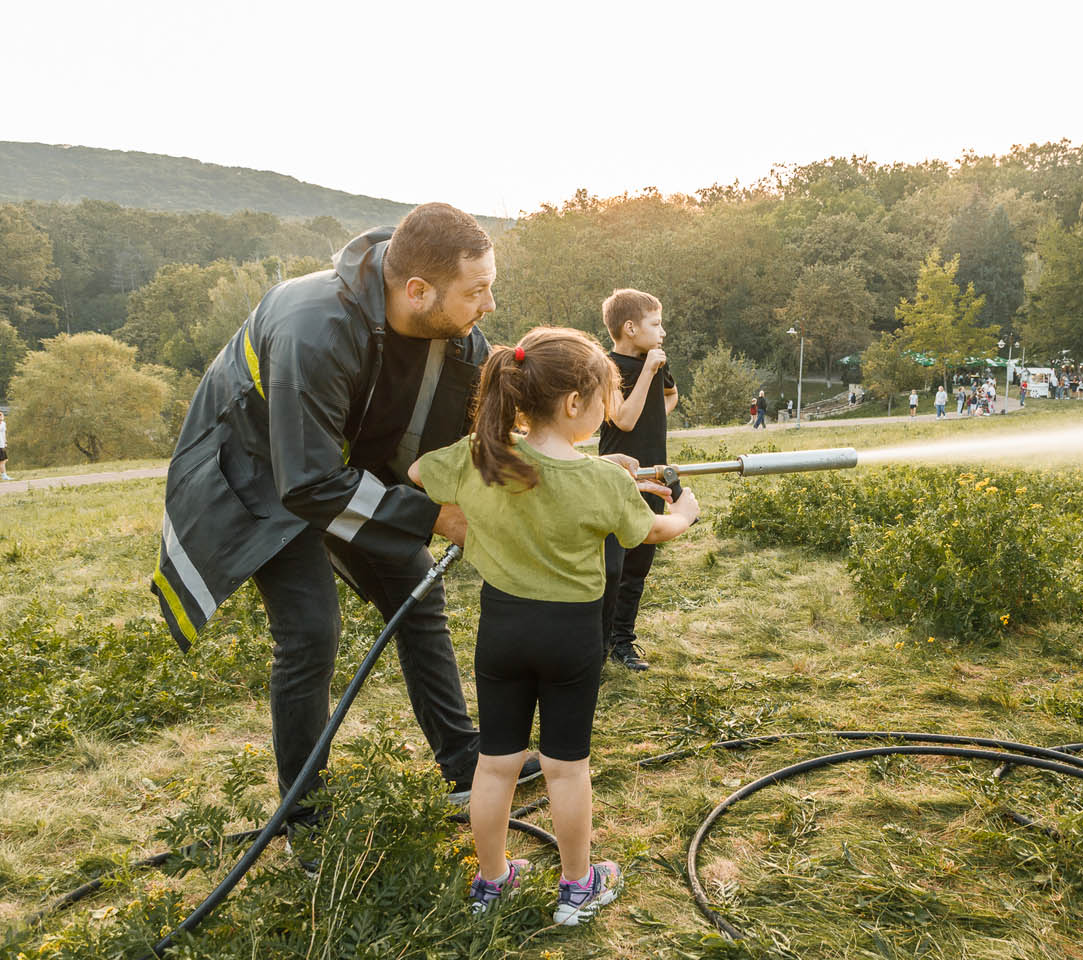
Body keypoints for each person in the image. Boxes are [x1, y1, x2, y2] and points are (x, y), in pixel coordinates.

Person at [151, 203, 532, 818]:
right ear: (416, 290)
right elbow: (307, 484)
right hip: (264, 477)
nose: (488, 305)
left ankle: (463, 761)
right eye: (478, 290)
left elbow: (471, 432)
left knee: (418, 595)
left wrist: (544, 473)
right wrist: (436, 517)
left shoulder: (452, 333)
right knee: (309, 634)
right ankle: (304, 813)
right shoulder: (313, 326)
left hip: (342, 471)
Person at [411, 326, 700, 922]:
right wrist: (687, 513)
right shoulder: (602, 481)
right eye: (602, 402)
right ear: (576, 405)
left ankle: (491, 884)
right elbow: (651, 530)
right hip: (570, 637)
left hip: (502, 631)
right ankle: (577, 888)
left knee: (496, 764)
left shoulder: (480, 454)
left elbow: (418, 474)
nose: (604, 414)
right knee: (568, 768)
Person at [597, 289, 678, 672]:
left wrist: (654, 406)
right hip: (616, 476)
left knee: (638, 565)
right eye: (656, 324)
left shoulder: (657, 363)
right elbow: (623, 420)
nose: (662, 332)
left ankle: (622, 643)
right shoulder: (604, 369)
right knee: (611, 566)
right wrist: (647, 372)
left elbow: (671, 396)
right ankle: (595, 644)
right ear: (630, 328)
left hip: (654, 472)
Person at [0, 410, 10, 480]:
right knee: (2, 461)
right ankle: (4, 476)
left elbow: (4, 434)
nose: (1, 416)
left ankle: (4, 475)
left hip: (1, 444)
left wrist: (5, 442)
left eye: (1, 415)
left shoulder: (3, 423)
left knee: (4, 460)